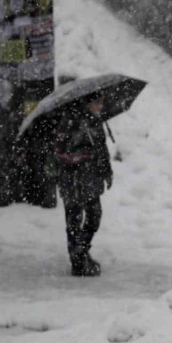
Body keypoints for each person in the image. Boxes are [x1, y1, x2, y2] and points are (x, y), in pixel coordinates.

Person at [55, 94, 113, 277]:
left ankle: (81, 251)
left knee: (94, 215)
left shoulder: (96, 122)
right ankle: (78, 261)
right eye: (97, 102)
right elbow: (61, 152)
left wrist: (107, 172)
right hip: (73, 179)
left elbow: (102, 149)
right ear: (87, 103)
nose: (100, 106)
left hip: (90, 179)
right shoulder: (70, 121)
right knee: (74, 219)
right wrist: (82, 155)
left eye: (101, 102)